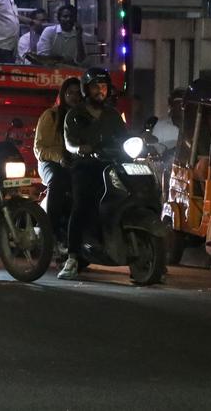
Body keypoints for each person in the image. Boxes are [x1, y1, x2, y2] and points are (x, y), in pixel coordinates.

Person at [59, 67, 128, 280]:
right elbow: (70, 143)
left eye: (104, 86)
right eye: (96, 87)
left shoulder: (113, 115)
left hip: (113, 166)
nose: (101, 91)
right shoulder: (75, 115)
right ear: (87, 90)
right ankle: (71, 258)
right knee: (81, 206)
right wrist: (81, 149)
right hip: (86, 167)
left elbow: (125, 138)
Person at [34, 77, 83, 251]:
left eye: (79, 93)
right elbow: (39, 148)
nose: (75, 97)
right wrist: (60, 157)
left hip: (78, 163)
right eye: (70, 93)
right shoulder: (51, 115)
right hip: (51, 163)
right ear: (63, 94)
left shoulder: (86, 118)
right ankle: (51, 231)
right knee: (59, 180)